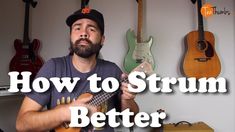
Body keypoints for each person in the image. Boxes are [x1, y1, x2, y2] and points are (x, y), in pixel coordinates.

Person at [16, 7, 139, 132]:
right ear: (70, 36)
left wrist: (127, 100)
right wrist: (66, 113)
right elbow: (22, 124)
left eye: (91, 29)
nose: (83, 33)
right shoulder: (53, 68)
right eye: (77, 28)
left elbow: (131, 119)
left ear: (102, 39)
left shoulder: (112, 71)